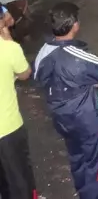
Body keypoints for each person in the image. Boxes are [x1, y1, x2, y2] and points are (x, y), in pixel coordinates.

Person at [34, 2, 98, 199]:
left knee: (77, 158)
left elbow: (39, 78)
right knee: (96, 163)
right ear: (74, 25)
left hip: (61, 119)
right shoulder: (76, 56)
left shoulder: (43, 52)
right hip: (86, 120)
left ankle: (84, 193)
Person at [0, 15, 37, 199]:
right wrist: (6, 36)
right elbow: (25, 73)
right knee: (20, 182)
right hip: (8, 130)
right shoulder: (9, 48)